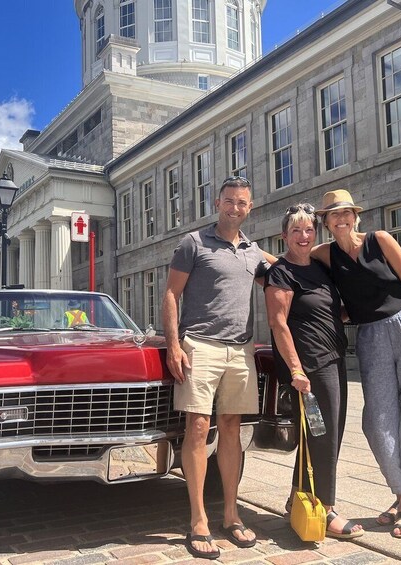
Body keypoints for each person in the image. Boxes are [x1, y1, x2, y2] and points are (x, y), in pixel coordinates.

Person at [312, 189, 401, 539]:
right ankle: (398, 493)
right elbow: (290, 262)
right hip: (371, 338)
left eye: (346, 212)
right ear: (326, 223)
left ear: (355, 216)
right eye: (334, 215)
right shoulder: (323, 254)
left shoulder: (381, 240)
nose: (341, 218)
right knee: (377, 422)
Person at [162, 176, 273, 560]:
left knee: (230, 429)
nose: (235, 208)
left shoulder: (254, 252)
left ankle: (230, 513)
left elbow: (290, 272)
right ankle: (197, 519)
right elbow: (172, 295)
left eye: (242, 203)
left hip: (241, 350)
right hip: (201, 347)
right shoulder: (194, 243)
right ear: (217, 202)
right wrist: (174, 345)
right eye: (229, 201)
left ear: (250, 206)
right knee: (196, 427)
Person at [264, 203, 363, 539]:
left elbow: (334, 311)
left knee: (322, 434)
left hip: (333, 359)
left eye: (309, 230)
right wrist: (295, 369)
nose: (304, 236)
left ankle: (298, 500)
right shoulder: (281, 272)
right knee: (324, 436)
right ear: (284, 235)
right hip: (309, 367)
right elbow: (278, 325)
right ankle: (327, 507)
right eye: (296, 230)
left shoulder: (321, 269)